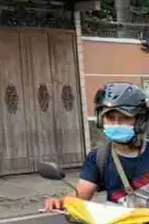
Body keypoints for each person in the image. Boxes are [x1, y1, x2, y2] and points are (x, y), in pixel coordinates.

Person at [44, 82, 149, 211]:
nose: (116, 123)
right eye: (110, 117)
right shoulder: (98, 157)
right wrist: (60, 202)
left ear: (140, 121)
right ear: (100, 120)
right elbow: (82, 194)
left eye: (125, 117)